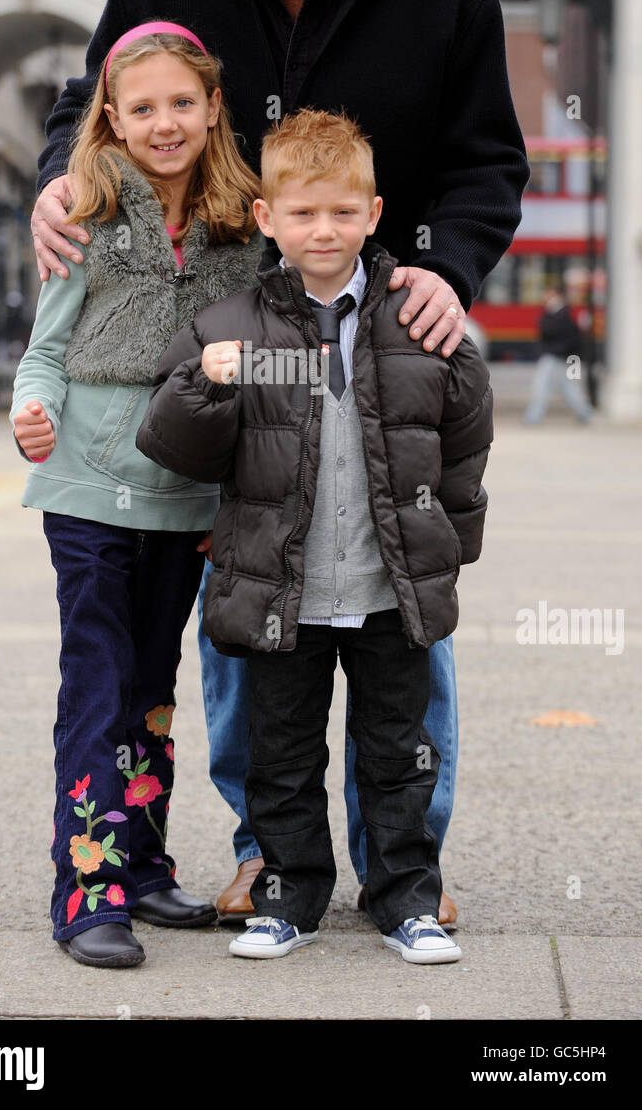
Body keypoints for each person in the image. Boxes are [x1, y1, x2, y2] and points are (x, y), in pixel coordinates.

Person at [27, 0, 528, 920]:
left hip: (387, 325)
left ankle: (407, 863)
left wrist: (448, 273)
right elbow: (83, 105)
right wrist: (61, 180)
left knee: (404, 603)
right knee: (250, 597)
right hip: (238, 338)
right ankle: (268, 848)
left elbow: (488, 161)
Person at [137, 109, 493, 964]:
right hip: (278, 589)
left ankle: (404, 895)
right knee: (281, 753)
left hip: (387, 587)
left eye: (341, 212)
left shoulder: (418, 322)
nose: (322, 229)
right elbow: (169, 443)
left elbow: (464, 438)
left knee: (399, 752)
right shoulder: (233, 327)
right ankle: (286, 898)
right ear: (267, 220)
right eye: (302, 213)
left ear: (373, 214)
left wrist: (451, 544)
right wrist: (204, 387)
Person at [10, 22, 263, 967]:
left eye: (181, 105)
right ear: (110, 117)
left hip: (185, 495)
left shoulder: (242, 225)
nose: (164, 124)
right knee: (99, 683)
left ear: (211, 110)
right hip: (84, 487)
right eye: (143, 108)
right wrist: (30, 412)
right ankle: (88, 886)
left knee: (153, 695)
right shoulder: (85, 210)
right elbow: (44, 350)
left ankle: (144, 867)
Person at [524, 286, 593, 425]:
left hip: (553, 356)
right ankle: (584, 412)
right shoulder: (561, 313)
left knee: (541, 386)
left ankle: (532, 417)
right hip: (558, 356)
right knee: (567, 387)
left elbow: (553, 333)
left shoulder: (561, 315)